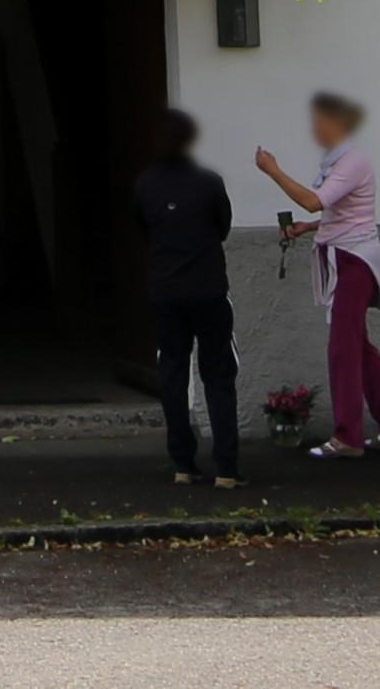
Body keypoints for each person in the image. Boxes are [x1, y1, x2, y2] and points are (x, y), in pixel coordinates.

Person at [255, 91, 380, 456]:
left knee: (342, 349)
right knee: (358, 346)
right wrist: (307, 228)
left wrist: (273, 171)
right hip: (345, 254)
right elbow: (341, 212)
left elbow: (316, 200)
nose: (316, 129)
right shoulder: (339, 160)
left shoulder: (352, 161)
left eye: (321, 122)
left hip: (355, 259)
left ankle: (348, 437)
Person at [130, 109, 241, 485]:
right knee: (219, 376)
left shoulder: (145, 185)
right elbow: (222, 227)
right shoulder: (209, 182)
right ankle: (227, 466)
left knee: (173, 374)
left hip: (165, 291)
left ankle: (182, 462)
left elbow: (143, 229)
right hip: (208, 289)